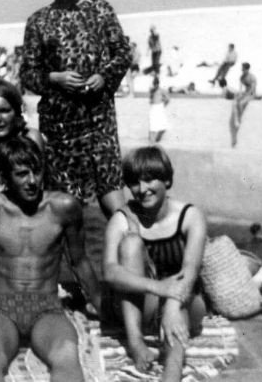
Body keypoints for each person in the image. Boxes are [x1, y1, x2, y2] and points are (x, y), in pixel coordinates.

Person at [0, 136, 101, 381]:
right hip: (2, 306)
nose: (31, 181)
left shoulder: (62, 207)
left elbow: (79, 261)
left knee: (67, 355)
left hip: (46, 306)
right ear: (6, 177)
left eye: (36, 172)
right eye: (22, 174)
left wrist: (99, 304)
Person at [20, 0, 132, 217]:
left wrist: (104, 77)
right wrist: (55, 78)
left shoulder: (99, 9)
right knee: (67, 205)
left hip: (98, 120)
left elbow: (122, 52)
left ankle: (134, 253)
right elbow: (27, 73)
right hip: (60, 127)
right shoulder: (38, 21)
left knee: (112, 195)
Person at [102, 146, 207, 381]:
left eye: (150, 180)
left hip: (186, 301)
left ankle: (172, 372)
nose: (142, 190)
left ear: (167, 180)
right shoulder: (123, 218)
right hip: (141, 306)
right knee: (130, 244)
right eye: (135, 183)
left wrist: (171, 303)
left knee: (177, 312)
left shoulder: (190, 216)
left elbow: (190, 271)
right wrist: (159, 288)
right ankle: (135, 341)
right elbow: (109, 272)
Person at [230, 62, 257, 148]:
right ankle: (237, 120)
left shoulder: (252, 77)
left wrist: (245, 95)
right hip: (245, 93)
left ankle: (239, 118)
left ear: (247, 69)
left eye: (243, 68)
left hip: (251, 94)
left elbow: (252, 89)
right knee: (235, 102)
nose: (242, 70)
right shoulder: (241, 77)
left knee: (241, 103)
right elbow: (241, 88)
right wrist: (240, 94)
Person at [148, 75, 169, 143]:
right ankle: (152, 141)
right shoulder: (152, 90)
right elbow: (151, 100)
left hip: (159, 107)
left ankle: (157, 138)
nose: (155, 85)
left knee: (163, 126)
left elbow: (168, 99)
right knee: (153, 125)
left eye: (156, 83)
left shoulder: (162, 90)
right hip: (154, 107)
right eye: (154, 83)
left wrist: (163, 105)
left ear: (158, 83)